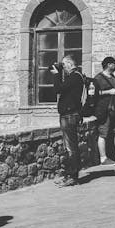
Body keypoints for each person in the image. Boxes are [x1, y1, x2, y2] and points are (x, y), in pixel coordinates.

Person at [50, 54, 85, 187]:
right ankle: (70, 174)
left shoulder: (75, 77)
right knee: (70, 146)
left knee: (71, 147)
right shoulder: (74, 77)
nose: (62, 68)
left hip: (70, 115)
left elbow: (58, 89)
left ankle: (73, 176)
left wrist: (56, 74)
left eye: (64, 65)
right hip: (69, 114)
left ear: (70, 64)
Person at [93, 57, 115, 165]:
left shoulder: (112, 77)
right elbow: (94, 94)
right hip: (104, 110)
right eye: (114, 64)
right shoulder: (98, 78)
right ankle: (103, 158)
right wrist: (108, 92)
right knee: (103, 133)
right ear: (108, 65)